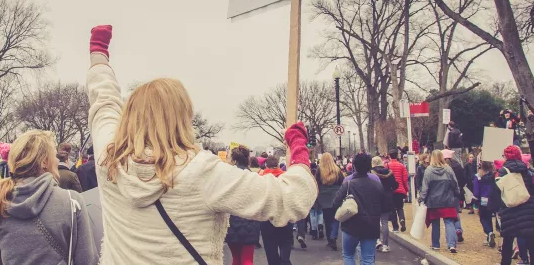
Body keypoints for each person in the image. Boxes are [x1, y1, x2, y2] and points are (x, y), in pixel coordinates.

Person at [87, 24, 316, 265]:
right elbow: (291, 199)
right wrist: (298, 145)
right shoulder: (201, 171)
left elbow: (103, 102)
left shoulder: (109, 159)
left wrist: (98, 55)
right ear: (182, 118)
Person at [0, 130, 98, 265]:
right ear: (44, 162)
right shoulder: (72, 201)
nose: (57, 160)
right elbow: (87, 260)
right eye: (54, 155)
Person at [494, 145, 534, 265]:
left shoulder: (502, 172)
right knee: (532, 244)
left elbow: (497, 192)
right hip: (529, 211)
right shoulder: (528, 172)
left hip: (509, 210)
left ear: (506, 157)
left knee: (507, 243)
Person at [330, 153, 385, 265]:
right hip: (371, 226)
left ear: (354, 166)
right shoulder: (377, 185)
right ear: (369, 167)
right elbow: (385, 206)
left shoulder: (348, 184)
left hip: (351, 226)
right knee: (368, 259)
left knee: (348, 255)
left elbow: (335, 203)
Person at [225, 146, 260, 265]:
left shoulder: (227, 177)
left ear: (234, 160)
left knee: (235, 258)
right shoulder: (254, 177)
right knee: (247, 259)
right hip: (250, 220)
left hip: (232, 220)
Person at [420, 150, 460, 253]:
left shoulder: (428, 170)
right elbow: (455, 183)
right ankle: (451, 245)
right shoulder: (448, 169)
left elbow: (425, 188)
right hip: (448, 199)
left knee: (435, 223)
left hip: (434, 201)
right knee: (449, 222)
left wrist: (421, 199)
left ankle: (435, 244)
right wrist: (457, 193)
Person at [316, 153, 343, 251]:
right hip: (336, 195)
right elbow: (342, 182)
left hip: (324, 197)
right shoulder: (337, 170)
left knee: (327, 219)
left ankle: (329, 238)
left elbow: (317, 183)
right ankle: (333, 236)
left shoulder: (319, 170)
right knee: (336, 218)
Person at [371, 156, 398, 253]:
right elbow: (395, 185)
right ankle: (386, 245)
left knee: (375, 220)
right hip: (387, 197)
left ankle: (377, 240)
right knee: (384, 222)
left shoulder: (371, 173)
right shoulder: (388, 172)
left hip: (374, 198)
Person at [472, 161, 498, 248]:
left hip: (482, 200)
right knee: (489, 217)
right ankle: (489, 236)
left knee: (482, 218)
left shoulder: (478, 177)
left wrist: (474, 201)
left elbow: (476, 191)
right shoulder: (492, 176)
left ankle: (489, 232)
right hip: (491, 199)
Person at [442, 149, 466, 242]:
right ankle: (458, 229)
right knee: (455, 212)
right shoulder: (457, 165)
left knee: (448, 216)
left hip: (445, 193)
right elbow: (463, 178)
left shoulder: (442, 167)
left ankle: (451, 236)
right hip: (456, 192)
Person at [387, 149, 409, 232]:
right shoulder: (402, 166)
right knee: (400, 207)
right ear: (397, 156)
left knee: (392, 209)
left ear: (389, 156)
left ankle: (395, 227)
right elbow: (405, 179)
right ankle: (402, 220)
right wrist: (406, 190)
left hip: (390, 190)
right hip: (400, 190)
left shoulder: (387, 166)